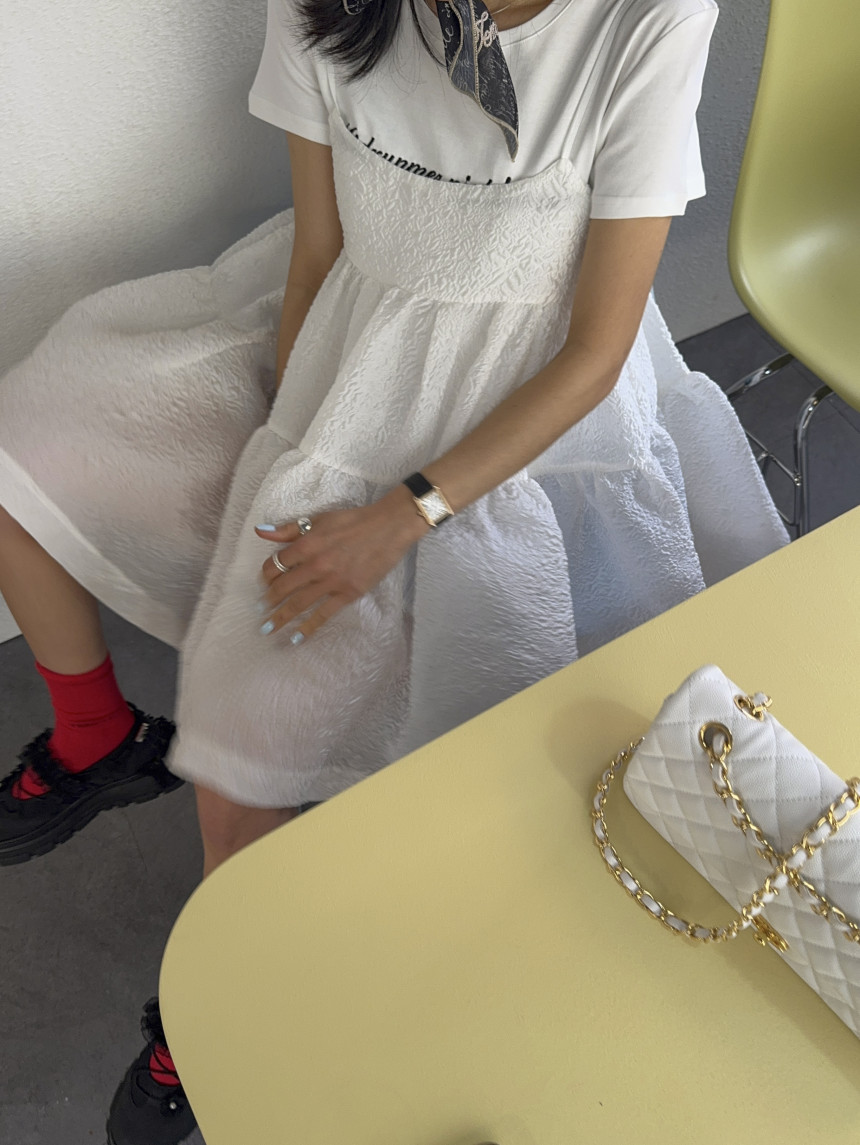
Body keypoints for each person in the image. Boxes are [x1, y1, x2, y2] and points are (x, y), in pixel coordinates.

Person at [0, 0, 789, 1140]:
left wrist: (402, 513)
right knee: (240, 749)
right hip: (348, 339)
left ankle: (331, 995)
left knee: (510, 770)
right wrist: (291, 450)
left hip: (536, 398)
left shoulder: (651, 18)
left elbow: (593, 349)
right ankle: (222, 1004)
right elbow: (317, 255)